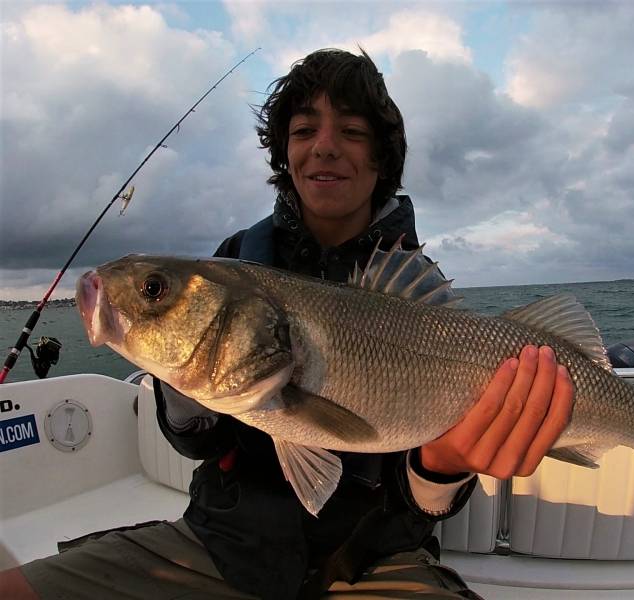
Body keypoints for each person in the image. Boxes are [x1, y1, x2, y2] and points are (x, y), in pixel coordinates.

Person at [1, 48, 574, 599]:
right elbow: (198, 441)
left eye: (351, 132)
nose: (324, 148)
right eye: (303, 132)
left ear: (381, 159)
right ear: (284, 153)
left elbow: (420, 500)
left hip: (375, 561)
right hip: (220, 546)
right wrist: (181, 383)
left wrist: (443, 465)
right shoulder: (235, 261)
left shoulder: (418, 296)